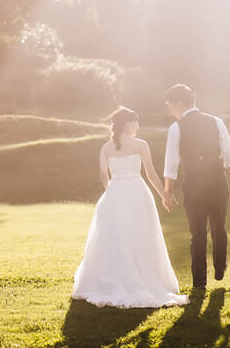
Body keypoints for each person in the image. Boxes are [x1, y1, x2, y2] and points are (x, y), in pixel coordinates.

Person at [72, 107, 189, 308]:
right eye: (135, 122)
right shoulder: (140, 145)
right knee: (141, 235)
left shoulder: (106, 148)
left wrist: (111, 193)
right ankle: (143, 277)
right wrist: (165, 196)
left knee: (116, 238)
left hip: (115, 191)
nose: (137, 126)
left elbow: (102, 175)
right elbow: (150, 174)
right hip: (137, 192)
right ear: (127, 124)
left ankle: (114, 278)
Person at [163, 84, 230, 290]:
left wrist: (167, 192)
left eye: (170, 105)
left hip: (194, 183)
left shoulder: (176, 128)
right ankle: (220, 266)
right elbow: (229, 154)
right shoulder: (216, 121)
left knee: (197, 232)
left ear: (179, 103)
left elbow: (171, 164)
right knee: (219, 226)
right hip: (217, 180)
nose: (170, 109)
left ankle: (199, 282)